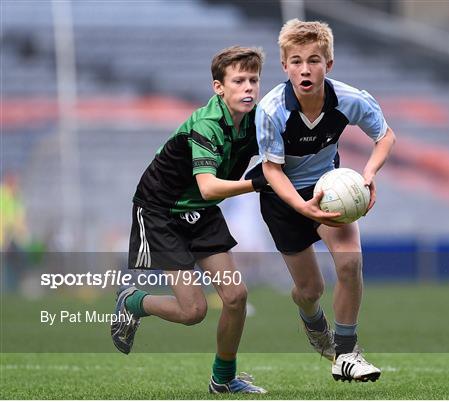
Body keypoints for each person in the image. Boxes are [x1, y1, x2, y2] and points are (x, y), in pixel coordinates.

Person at [110, 46, 267, 394]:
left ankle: (223, 380)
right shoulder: (208, 125)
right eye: (238, 80)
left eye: (253, 80)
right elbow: (210, 187)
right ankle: (132, 301)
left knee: (236, 296)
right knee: (193, 310)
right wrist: (258, 182)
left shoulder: (257, 121)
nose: (248, 88)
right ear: (218, 87)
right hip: (160, 211)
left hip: (200, 212)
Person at [249, 19, 396, 382]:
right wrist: (300, 207)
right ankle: (313, 325)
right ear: (285, 66)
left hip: (329, 188)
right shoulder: (271, 110)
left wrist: (369, 175)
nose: (305, 68)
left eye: (314, 60)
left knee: (349, 265)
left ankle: (346, 353)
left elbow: (386, 136)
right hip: (283, 198)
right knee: (309, 290)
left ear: (328, 65)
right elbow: (271, 171)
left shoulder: (349, 99)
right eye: (296, 60)